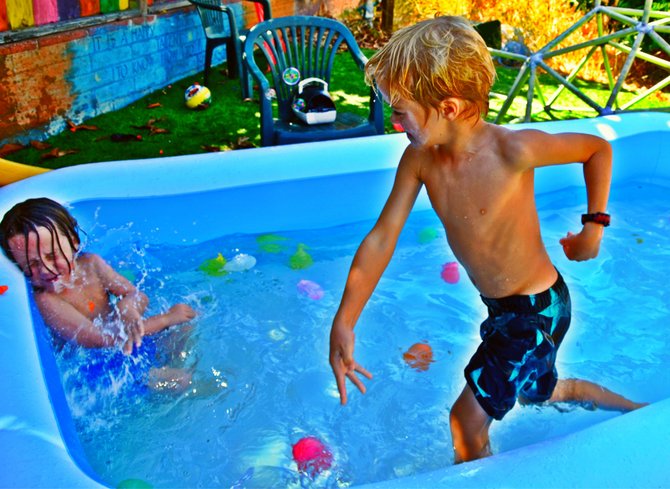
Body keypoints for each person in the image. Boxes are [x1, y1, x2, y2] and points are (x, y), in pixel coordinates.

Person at [328, 16, 646, 463]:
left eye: (400, 112)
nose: (394, 122)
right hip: (504, 309)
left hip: (536, 310)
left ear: (450, 108)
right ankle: (638, 414)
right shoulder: (420, 160)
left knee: (465, 421)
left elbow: (598, 148)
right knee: (542, 391)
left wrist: (594, 229)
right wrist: (345, 320)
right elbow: (382, 238)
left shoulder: (512, 151)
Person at [0, 197, 197, 391]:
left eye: (53, 255)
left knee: (185, 325)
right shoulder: (47, 299)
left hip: (126, 343)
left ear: (74, 242)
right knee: (179, 382)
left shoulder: (91, 264)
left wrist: (127, 307)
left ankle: (172, 365)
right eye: (32, 264)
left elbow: (137, 295)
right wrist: (163, 320)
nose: (46, 269)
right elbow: (98, 340)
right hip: (98, 366)